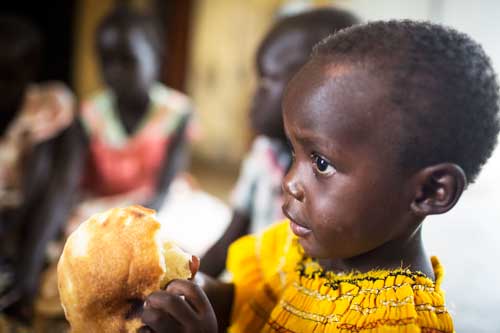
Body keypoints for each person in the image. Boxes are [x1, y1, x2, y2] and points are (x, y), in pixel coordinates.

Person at [139, 20, 499, 333]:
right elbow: (239, 301)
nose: (290, 182)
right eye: (294, 154)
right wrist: (178, 288)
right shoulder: (301, 246)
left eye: (322, 163)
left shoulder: (394, 323)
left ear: (430, 190)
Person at [200, 8, 359, 278]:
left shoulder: (341, 177)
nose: (253, 94)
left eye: (266, 79)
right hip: (254, 286)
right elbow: (232, 237)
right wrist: (188, 282)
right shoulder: (264, 152)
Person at [65, 4, 194, 234]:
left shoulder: (177, 113)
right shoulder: (88, 115)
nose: (115, 71)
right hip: (99, 211)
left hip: (154, 210)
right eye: (106, 60)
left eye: (128, 60)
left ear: (157, 55)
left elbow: (163, 193)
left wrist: (129, 225)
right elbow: (67, 184)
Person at [0, 15, 82, 325]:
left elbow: (54, 201)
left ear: (28, 74)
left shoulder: (52, 117)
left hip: (30, 239)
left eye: (7, 77)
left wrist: (26, 278)